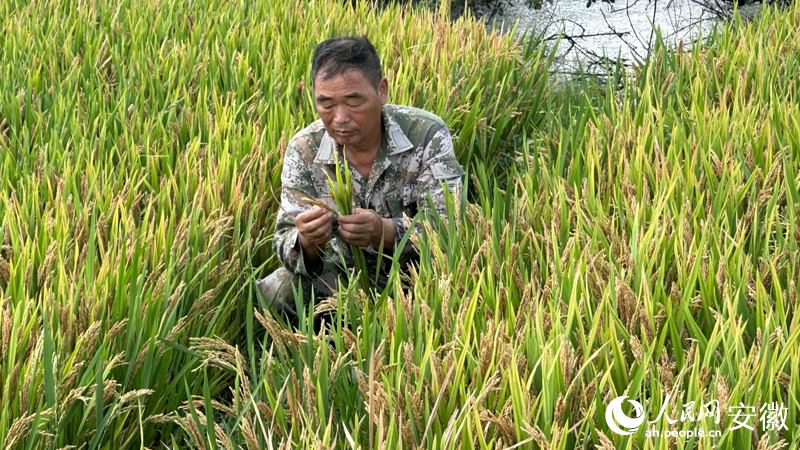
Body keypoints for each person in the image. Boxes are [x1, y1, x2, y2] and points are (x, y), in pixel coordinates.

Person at [256, 35, 465, 326]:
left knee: (455, 300)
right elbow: (283, 243)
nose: (340, 118)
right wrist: (308, 243)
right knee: (273, 291)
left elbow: (450, 228)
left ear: (381, 90)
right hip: (340, 274)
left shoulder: (425, 135)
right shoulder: (304, 149)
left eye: (354, 101)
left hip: (413, 274)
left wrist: (385, 231)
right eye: (326, 104)